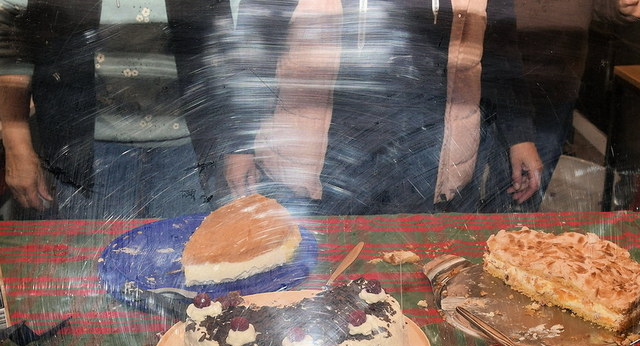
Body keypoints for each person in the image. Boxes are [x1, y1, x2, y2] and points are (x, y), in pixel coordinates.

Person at [223, 0, 542, 215]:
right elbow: (252, 49)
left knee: (415, 275)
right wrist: (238, 144)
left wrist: (520, 136)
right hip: (327, 165)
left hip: (429, 162)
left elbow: (501, 53)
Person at [0, 0, 232, 220]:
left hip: (189, 146)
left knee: (189, 245)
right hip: (89, 152)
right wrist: (16, 145)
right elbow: (14, 41)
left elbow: (225, 45)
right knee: (94, 246)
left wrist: (237, 148)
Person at [477, 0, 640, 213]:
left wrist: (619, 7)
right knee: (478, 189)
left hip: (556, 92)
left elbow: (598, 6)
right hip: (496, 87)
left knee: (523, 198)